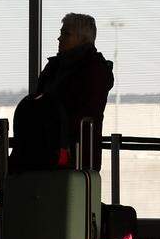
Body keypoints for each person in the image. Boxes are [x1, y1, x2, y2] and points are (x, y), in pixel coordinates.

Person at [32, 12, 114, 170]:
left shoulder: (94, 69)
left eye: (66, 34)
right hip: (50, 148)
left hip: (75, 153)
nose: (59, 38)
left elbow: (85, 111)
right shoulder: (55, 66)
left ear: (83, 39)